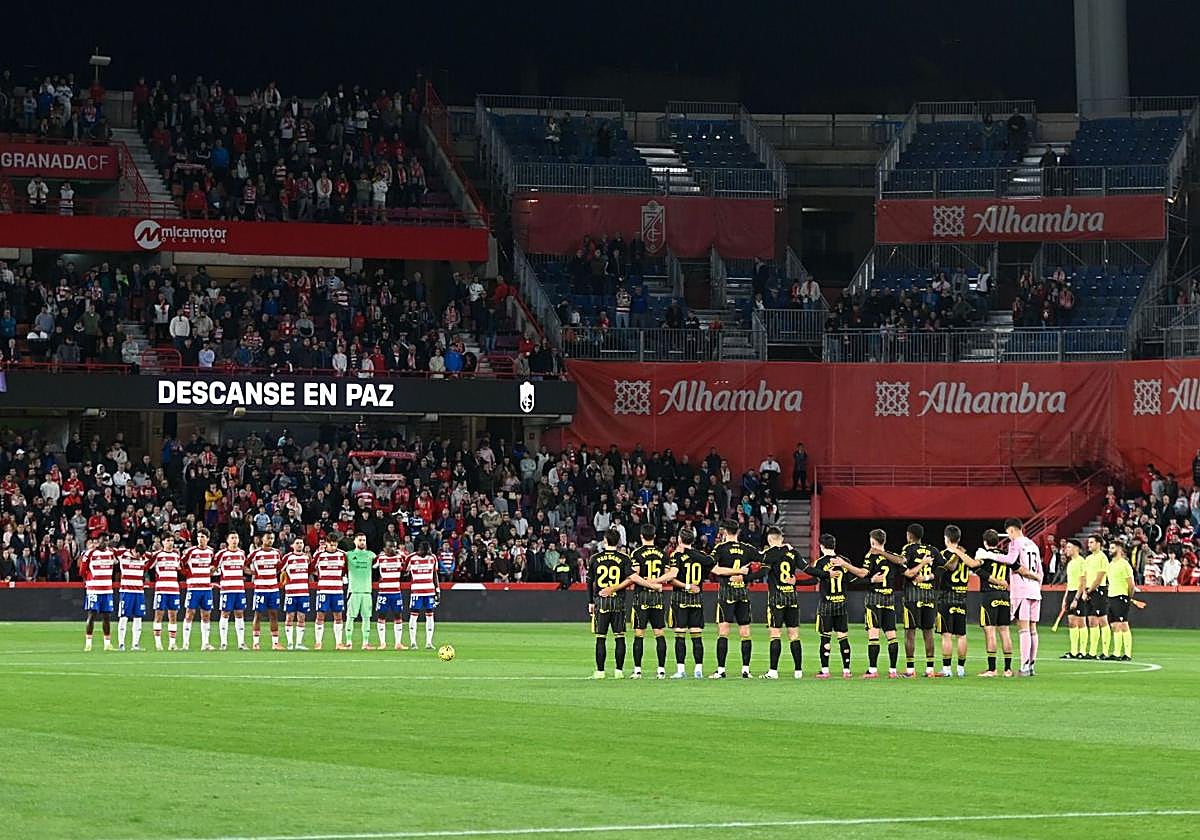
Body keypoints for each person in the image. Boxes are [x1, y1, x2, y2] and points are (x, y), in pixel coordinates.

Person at [797, 534, 866, 679]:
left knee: (825, 638)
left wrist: (796, 583)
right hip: (841, 603)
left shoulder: (820, 563)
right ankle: (846, 670)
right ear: (834, 545)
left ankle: (825, 670)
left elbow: (813, 581)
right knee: (843, 637)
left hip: (826, 605)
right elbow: (854, 581)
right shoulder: (844, 561)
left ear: (821, 546)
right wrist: (871, 581)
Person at [959, 529, 1016, 677]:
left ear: (985, 542)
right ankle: (1008, 669)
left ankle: (992, 669)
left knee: (990, 631)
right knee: (1005, 631)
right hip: (1004, 594)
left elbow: (975, 566)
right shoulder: (1004, 556)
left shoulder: (984, 555)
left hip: (990, 595)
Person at [709, 519, 761, 678]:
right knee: (745, 632)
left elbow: (714, 569)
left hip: (727, 594)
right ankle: (745, 670)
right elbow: (765, 560)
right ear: (738, 531)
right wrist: (745, 574)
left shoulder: (720, 548)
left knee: (723, 631)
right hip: (743, 594)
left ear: (724, 532)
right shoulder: (748, 549)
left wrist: (732, 571)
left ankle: (721, 670)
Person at [757, 526, 804, 680]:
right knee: (794, 635)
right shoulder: (793, 553)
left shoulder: (769, 555)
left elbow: (762, 571)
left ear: (770, 540)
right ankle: (798, 671)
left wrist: (745, 578)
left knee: (775, 635)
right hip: (792, 597)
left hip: (776, 598)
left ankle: (773, 671)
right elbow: (807, 569)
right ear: (782, 539)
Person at [587, 528, 634, 679]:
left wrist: (590, 601)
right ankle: (618, 671)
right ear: (619, 541)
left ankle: (600, 671)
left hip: (601, 600)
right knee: (619, 637)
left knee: (601, 637)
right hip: (618, 601)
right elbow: (630, 579)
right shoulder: (624, 558)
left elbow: (590, 582)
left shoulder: (594, 558)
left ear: (605, 541)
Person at [668, 526, 711, 679]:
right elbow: (709, 569)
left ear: (680, 539)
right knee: (696, 635)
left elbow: (671, 578)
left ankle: (681, 670)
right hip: (697, 598)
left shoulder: (676, 555)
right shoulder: (701, 555)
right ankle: (698, 670)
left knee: (680, 635)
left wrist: (687, 586)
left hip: (680, 598)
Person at [1003, 517, 1043, 677]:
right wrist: (1036, 586)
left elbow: (1011, 561)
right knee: (1033, 628)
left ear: (1011, 530)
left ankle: (1024, 666)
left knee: (1023, 628)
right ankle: (1031, 665)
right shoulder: (1033, 544)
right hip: (1034, 590)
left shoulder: (1015, 543)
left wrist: (987, 555)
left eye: (1008, 533)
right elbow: (1040, 572)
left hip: (1021, 590)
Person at [629, 523, 669, 679]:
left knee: (639, 633)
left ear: (641, 536)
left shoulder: (637, 553)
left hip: (642, 596)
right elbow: (668, 575)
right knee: (659, 632)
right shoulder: (663, 553)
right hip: (657, 596)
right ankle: (661, 670)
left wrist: (647, 583)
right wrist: (657, 583)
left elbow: (636, 575)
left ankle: (637, 670)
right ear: (654, 536)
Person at [863, 529, 904, 678]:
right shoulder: (892, 557)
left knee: (873, 635)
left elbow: (863, 575)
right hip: (889, 599)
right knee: (891, 636)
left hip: (874, 599)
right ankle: (893, 670)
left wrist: (871, 580)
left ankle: (872, 670)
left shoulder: (870, 556)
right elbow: (902, 562)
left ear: (873, 541)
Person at [936, 526, 973, 678]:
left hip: (946, 598)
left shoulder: (944, 554)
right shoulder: (966, 556)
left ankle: (946, 669)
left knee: (946, 635)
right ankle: (961, 669)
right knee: (961, 635)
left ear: (946, 538)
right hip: (962, 597)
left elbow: (947, 568)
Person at [901, 524, 938, 677]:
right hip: (929, 595)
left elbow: (907, 573)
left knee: (910, 631)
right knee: (928, 631)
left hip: (912, 595)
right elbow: (941, 570)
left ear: (910, 536)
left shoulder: (908, 549)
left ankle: (910, 669)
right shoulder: (933, 550)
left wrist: (919, 566)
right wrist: (928, 577)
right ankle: (930, 669)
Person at [181, 529, 216, 651]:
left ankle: (205, 643)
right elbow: (181, 563)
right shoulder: (191, 551)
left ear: (208, 539)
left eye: (203, 537)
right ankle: (185, 643)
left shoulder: (211, 552)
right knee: (189, 614)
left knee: (206, 615)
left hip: (206, 588)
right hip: (193, 588)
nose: (200, 539)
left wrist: (211, 571)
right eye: (199, 536)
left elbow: (213, 566)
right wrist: (187, 573)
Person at [81, 535, 117, 651]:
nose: (105, 542)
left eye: (107, 540)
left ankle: (107, 644)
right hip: (94, 590)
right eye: (103, 540)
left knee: (106, 616)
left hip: (107, 589)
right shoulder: (90, 553)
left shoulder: (111, 553)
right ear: (98, 541)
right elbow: (82, 570)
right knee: (92, 615)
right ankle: (88, 643)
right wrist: (89, 581)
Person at [313, 535, 349, 651]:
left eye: (335, 544)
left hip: (337, 590)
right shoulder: (319, 555)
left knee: (338, 616)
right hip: (323, 590)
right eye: (331, 544)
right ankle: (318, 642)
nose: (333, 547)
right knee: (320, 615)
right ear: (326, 544)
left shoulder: (342, 555)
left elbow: (345, 570)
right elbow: (312, 568)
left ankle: (339, 643)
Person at [249, 532, 283, 651]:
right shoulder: (256, 553)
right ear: (262, 539)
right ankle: (256, 643)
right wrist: (253, 573)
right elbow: (244, 565)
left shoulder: (276, 553)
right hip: (260, 589)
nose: (270, 540)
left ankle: (275, 643)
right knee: (258, 615)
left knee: (274, 614)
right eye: (268, 538)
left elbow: (279, 568)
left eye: (272, 538)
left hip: (273, 589)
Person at [215, 532, 249, 651]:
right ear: (228, 540)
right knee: (225, 614)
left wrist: (256, 573)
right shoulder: (221, 554)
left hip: (239, 588)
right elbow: (214, 568)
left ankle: (241, 643)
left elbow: (245, 568)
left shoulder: (242, 553)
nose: (234, 540)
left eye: (236, 538)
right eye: (232, 538)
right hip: (227, 589)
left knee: (239, 614)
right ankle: (223, 643)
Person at [116, 544, 151, 651]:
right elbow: (111, 551)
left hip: (139, 592)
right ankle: (121, 644)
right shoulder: (123, 554)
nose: (139, 557)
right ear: (134, 550)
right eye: (137, 555)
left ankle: (135, 644)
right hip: (126, 592)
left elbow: (153, 556)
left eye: (141, 556)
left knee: (138, 617)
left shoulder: (144, 556)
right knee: (124, 617)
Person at [374, 539, 409, 650]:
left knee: (398, 616)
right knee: (381, 616)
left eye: (394, 546)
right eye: (390, 546)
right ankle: (382, 643)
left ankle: (398, 643)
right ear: (385, 548)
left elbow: (407, 566)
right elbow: (370, 566)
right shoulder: (380, 558)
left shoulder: (400, 557)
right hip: (383, 593)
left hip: (396, 592)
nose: (393, 549)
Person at [150, 534, 183, 651]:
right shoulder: (157, 555)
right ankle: (158, 643)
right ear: (163, 542)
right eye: (168, 540)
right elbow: (148, 567)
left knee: (173, 616)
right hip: (161, 590)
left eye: (172, 540)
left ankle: (172, 644)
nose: (170, 543)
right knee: (158, 615)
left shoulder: (176, 555)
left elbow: (179, 569)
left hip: (174, 589)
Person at [344, 532, 376, 650]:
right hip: (354, 590)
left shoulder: (371, 555)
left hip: (367, 591)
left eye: (364, 540)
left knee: (367, 617)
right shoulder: (348, 555)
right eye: (360, 540)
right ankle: (348, 642)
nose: (362, 542)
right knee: (350, 617)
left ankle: (365, 643)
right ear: (355, 541)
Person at [1106, 542, 1137, 661]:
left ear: (1119, 549)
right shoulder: (1110, 564)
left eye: (1112, 547)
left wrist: (1128, 598)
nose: (1110, 550)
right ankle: (1117, 653)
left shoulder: (1125, 565)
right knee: (1114, 625)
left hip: (1121, 596)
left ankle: (1127, 654)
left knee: (1123, 624)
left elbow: (1131, 585)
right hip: (1111, 596)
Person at [1083, 534, 1112, 659]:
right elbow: (1084, 576)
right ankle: (1092, 651)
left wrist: (1089, 590)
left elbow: (1100, 577)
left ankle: (1105, 651)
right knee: (1092, 620)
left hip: (1098, 590)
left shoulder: (1103, 558)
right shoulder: (1088, 559)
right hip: (1089, 590)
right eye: (1089, 543)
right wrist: (1085, 590)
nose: (1089, 545)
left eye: (1092, 542)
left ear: (1099, 544)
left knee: (1102, 620)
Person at [408, 541, 440, 650]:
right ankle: (413, 642)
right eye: (425, 550)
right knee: (414, 616)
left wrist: (437, 590)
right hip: (416, 592)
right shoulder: (412, 558)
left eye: (429, 550)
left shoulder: (432, 558)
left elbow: (435, 574)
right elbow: (404, 570)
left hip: (429, 591)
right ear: (419, 549)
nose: (427, 552)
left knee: (430, 615)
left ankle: (429, 642)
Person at [1059, 540, 1089, 660]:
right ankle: (1074, 651)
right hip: (1071, 592)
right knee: (1071, 622)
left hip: (1079, 593)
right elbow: (1069, 583)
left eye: (1069, 547)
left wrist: (1076, 598)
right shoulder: (1070, 563)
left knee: (1081, 622)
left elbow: (1083, 582)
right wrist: (1065, 599)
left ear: (1076, 548)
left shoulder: (1082, 562)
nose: (1066, 549)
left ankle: (1082, 651)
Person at [282, 537, 313, 650]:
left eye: (301, 543)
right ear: (292, 546)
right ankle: (290, 643)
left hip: (304, 592)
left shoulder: (306, 558)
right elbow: (280, 569)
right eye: (297, 543)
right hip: (291, 592)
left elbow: (310, 571)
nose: (300, 545)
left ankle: (299, 643)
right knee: (289, 617)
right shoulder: (288, 558)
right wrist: (284, 578)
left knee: (301, 617)